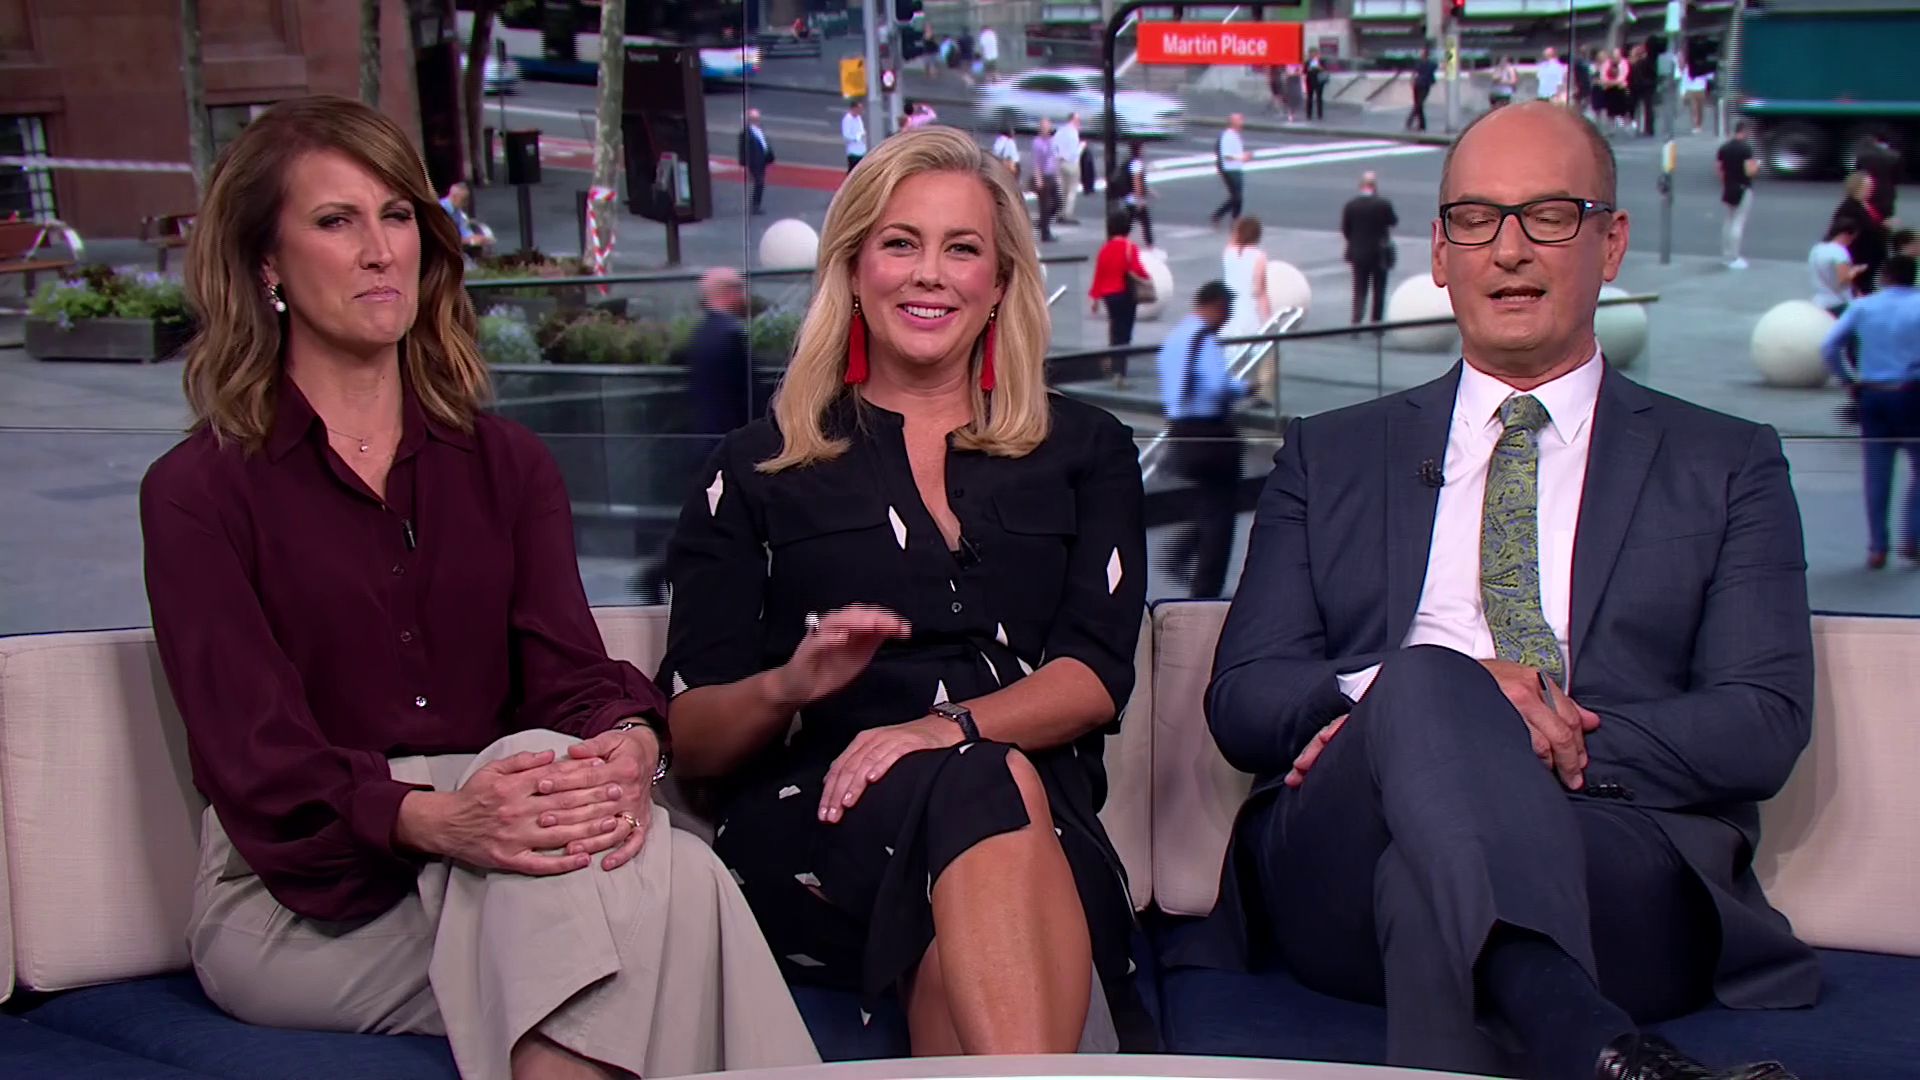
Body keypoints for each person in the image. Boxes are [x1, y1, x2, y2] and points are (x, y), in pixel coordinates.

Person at [139, 95, 820, 1080]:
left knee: (606, 851)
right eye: (335, 221)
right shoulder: (198, 493)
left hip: (518, 837)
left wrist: (631, 746)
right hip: (303, 893)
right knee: (660, 885)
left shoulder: (506, 464)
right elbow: (258, 762)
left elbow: (569, 675)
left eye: (397, 216)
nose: (379, 250)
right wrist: (444, 818)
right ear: (266, 265)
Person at [1190, 102, 1815, 1080]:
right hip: (1335, 856)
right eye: (1477, 219)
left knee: (1426, 880)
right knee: (1429, 678)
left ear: (1612, 243)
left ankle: (1585, 1039)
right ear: (1441, 253)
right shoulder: (1330, 455)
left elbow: (1761, 722)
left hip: (1614, 854)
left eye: (1549, 216)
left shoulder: (1727, 463)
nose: (1510, 250)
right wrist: (1419, 702)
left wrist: (1529, 736)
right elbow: (1243, 699)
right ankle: (1600, 1045)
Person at [657, 125, 1151, 1058]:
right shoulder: (756, 468)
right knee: (982, 799)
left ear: (999, 282)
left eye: (961, 249)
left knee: (984, 796)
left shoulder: (1088, 451)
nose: (930, 274)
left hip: (1035, 816)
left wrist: (944, 729)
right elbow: (692, 736)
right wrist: (789, 686)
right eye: (899, 243)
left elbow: (1094, 675)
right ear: (853, 269)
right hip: (821, 821)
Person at [1820, 254, 1920, 569]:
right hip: (1912, 393)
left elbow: (1829, 346)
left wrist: (1847, 380)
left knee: (1877, 472)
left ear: (1884, 277)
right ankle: (1913, 537)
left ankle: (1878, 546)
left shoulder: (1863, 307)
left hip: (1872, 395)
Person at [1156, 280, 1250, 600]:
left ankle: (1180, 552)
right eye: (1227, 311)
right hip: (1210, 431)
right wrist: (1244, 388)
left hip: (1181, 430)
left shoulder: (1175, 338)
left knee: (1210, 499)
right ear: (1217, 306)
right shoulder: (1205, 340)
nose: (1227, 318)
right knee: (1221, 509)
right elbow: (1217, 385)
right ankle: (1206, 585)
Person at [686, 267, 754, 436]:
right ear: (730, 293)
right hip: (732, 432)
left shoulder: (700, 334)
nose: (744, 297)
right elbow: (746, 393)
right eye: (740, 290)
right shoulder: (732, 334)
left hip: (707, 431)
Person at [1090, 208, 1150, 387]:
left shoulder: (1105, 249)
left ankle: (1113, 362)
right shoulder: (1129, 247)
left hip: (1109, 296)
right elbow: (1138, 270)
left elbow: (1099, 274)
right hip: (1125, 294)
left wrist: (1095, 299)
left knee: (1115, 329)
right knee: (1125, 334)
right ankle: (1120, 371)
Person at [1341, 170, 1399, 325]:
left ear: (1361, 186)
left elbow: (1346, 229)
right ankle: (1376, 322)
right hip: (1379, 253)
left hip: (1358, 253)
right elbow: (1393, 221)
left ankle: (1357, 319)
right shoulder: (1383, 204)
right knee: (1379, 289)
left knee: (1360, 288)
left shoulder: (1351, 205)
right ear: (1375, 187)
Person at [1831, 171, 1889, 295]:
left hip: (1871, 258)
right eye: (1867, 186)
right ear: (1857, 187)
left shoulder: (1866, 205)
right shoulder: (1849, 208)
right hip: (1859, 256)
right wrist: (1881, 227)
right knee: (1861, 287)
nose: (1871, 189)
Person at [1219, 215, 1273, 349]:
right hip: (1248, 310)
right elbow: (1260, 291)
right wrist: (1268, 318)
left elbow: (1233, 240)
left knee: (1228, 349)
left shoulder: (1227, 252)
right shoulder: (1259, 257)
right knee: (1253, 348)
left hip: (1228, 309)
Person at [1716, 121, 1758, 270]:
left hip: (1728, 187)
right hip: (1743, 188)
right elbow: (1750, 172)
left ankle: (1726, 255)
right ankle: (1735, 257)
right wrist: (1756, 166)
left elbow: (1719, 169)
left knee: (1729, 220)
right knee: (1738, 222)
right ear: (1744, 131)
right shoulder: (1746, 148)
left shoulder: (1724, 148)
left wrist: (1725, 183)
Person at [1809, 222, 1862, 316]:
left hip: (1819, 302)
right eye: (1852, 238)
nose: (1851, 242)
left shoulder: (1817, 249)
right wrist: (1855, 271)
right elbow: (1844, 281)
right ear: (1846, 234)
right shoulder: (1839, 252)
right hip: (1838, 304)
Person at [1211, 113, 1250, 228]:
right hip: (1228, 169)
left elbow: (1234, 152)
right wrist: (1242, 157)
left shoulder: (1235, 135)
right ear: (1232, 123)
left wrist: (1243, 156)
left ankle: (1222, 217)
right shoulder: (1227, 136)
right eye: (1239, 120)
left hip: (1236, 168)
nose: (1242, 122)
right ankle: (1233, 220)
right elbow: (1226, 155)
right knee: (1237, 197)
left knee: (1237, 197)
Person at [437, 181, 492, 258]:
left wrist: (475, 238)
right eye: (464, 200)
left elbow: (464, 230)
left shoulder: (458, 212)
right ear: (454, 197)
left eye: (467, 200)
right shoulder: (439, 210)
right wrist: (469, 241)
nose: (466, 203)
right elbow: (444, 238)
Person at [1854, 134, 1900, 221]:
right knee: (1886, 214)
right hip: (1886, 188)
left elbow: (1858, 173)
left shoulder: (1862, 157)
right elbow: (1897, 176)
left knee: (1866, 211)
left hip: (1867, 187)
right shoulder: (1894, 156)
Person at [1031, 118, 1062, 243]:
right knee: (1044, 206)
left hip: (1052, 176)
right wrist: (1038, 179)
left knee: (1057, 203)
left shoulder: (1052, 141)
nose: (1046, 130)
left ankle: (1042, 222)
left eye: (1048, 127)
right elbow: (1036, 162)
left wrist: (1058, 175)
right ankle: (1045, 233)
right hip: (1043, 176)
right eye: (1043, 127)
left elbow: (1056, 158)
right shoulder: (1037, 143)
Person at [740, 108, 776, 215]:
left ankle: (756, 204)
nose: (757, 120)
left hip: (762, 161)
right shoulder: (746, 133)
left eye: (757, 118)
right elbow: (743, 149)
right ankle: (755, 206)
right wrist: (745, 164)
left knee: (760, 183)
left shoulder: (759, 130)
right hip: (754, 162)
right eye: (754, 118)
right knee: (759, 183)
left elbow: (764, 144)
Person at [1121, 140, 1153, 249]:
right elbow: (1136, 181)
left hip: (1130, 197)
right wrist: (1139, 199)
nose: (1144, 150)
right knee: (1144, 222)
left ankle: (1120, 241)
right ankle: (1150, 245)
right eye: (1142, 148)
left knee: (1129, 222)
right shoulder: (1136, 163)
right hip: (1135, 199)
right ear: (1138, 150)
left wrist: (1149, 191)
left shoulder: (1131, 161)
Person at [1055, 113, 1084, 224]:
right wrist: (1082, 146)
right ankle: (1067, 214)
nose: (1079, 122)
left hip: (1061, 162)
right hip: (1072, 164)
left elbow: (1054, 145)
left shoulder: (1060, 131)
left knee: (1063, 190)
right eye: (1078, 120)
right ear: (1073, 120)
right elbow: (1074, 153)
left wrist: (1058, 156)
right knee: (1071, 191)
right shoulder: (1074, 133)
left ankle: (1060, 212)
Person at [1408, 47, 1437, 132]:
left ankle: (1411, 121)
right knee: (1418, 104)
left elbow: (1417, 73)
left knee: (1419, 104)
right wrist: (1412, 80)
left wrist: (1413, 80)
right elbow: (1415, 72)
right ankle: (1422, 125)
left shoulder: (1430, 64)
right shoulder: (1420, 63)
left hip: (1423, 84)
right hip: (1418, 84)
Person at [843, 100, 868, 171]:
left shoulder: (858, 118)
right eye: (859, 109)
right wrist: (857, 137)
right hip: (853, 152)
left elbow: (861, 130)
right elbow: (846, 136)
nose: (861, 111)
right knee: (853, 171)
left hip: (862, 150)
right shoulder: (847, 119)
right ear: (854, 108)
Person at [1305, 50, 1329, 120]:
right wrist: (1308, 69)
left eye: (1315, 54)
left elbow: (1325, 70)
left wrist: (1319, 67)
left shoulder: (1321, 61)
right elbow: (1304, 71)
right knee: (1309, 98)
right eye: (1312, 54)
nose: (1314, 56)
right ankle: (1309, 115)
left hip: (1319, 81)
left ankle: (1320, 114)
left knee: (1319, 98)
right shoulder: (1308, 62)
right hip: (1310, 81)